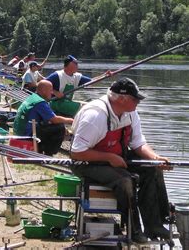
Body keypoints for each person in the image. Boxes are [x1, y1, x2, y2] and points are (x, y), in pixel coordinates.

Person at [70, 77, 171, 244]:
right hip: (86, 163)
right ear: (122, 99)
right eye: (135, 98)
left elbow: (138, 143)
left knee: (152, 169)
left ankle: (155, 225)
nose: (138, 101)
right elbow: (77, 152)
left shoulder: (131, 113)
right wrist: (109, 158)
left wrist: (155, 158)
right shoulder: (96, 115)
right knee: (125, 180)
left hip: (115, 156)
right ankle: (134, 230)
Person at [13, 80, 73, 156]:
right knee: (59, 127)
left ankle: (42, 149)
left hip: (20, 131)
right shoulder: (40, 103)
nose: (52, 93)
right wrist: (72, 121)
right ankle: (48, 153)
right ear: (44, 90)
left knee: (51, 125)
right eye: (50, 90)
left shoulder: (33, 97)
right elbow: (54, 119)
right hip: (26, 134)